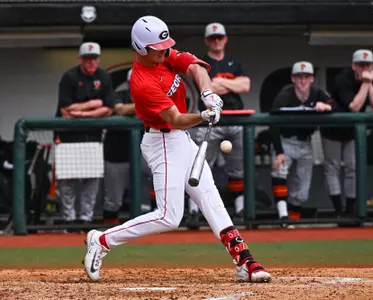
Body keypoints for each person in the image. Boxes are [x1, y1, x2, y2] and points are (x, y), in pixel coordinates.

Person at [83, 15, 271, 283]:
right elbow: (175, 118)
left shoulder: (163, 52)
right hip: (161, 141)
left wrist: (208, 94)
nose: (165, 52)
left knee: (210, 198)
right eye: (158, 49)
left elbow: (195, 67)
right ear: (140, 48)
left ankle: (244, 260)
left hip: (181, 139)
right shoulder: (141, 83)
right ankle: (102, 240)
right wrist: (204, 116)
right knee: (169, 217)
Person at [186, 22, 250, 229]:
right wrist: (230, 84)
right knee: (200, 166)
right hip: (209, 120)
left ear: (225, 39)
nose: (216, 41)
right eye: (212, 38)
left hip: (236, 119)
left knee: (238, 167)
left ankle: (240, 210)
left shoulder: (234, 62)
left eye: (219, 37)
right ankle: (194, 212)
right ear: (206, 40)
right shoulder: (201, 63)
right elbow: (207, 87)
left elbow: (246, 86)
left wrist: (220, 82)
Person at [55, 42, 115, 228]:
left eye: (94, 59)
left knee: (92, 177)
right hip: (68, 137)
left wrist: (80, 113)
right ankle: (69, 218)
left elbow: (109, 108)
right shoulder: (70, 76)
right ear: (81, 59)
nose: (91, 63)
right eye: (88, 59)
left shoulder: (103, 76)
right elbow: (65, 108)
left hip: (93, 136)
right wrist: (94, 104)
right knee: (67, 179)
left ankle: (86, 218)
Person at [320, 49, 373, 219]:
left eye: (368, 65)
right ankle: (337, 210)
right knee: (332, 168)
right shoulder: (343, 78)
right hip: (332, 128)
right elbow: (354, 107)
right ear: (353, 66)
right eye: (361, 65)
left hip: (351, 131)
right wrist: (365, 84)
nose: (364, 68)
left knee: (352, 168)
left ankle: (349, 209)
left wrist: (369, 84)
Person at [270, 62, 332, 228]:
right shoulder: (285, 95)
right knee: (279, 173)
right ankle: (283, 216)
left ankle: (293, 219)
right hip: (286, 141)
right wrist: (279, 152)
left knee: (303, 188)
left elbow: (335, 103)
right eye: (299, 77)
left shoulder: (317, 93)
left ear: (312, 79)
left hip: (306, 143)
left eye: (306, 77)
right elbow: (272, 123)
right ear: (293, 79)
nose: (303, 81)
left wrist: (326, 105)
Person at [102, 69, 155, 224]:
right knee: (114, 200)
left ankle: (153, 228)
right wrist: (145, 107)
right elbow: (120, 109)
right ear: (129, 83)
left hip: (143, 153)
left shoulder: (152, 96)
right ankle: (108, 232)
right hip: (116, 153)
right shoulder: (118, 95)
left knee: (152, 187)